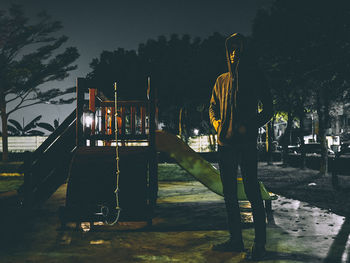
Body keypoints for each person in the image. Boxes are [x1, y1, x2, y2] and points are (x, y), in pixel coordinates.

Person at [209, 33, 273, 260]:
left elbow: (268, 109)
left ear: (245, 51)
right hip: (225, 144)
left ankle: (260, 244)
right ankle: (235, 240)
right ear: (228, 53)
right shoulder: (221, 80)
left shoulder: (255, 77)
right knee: (229, 194)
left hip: (246, 144)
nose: (234, 52)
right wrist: (218, 126)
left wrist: (251, 125)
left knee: (253, 192)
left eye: (238, 48)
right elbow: (213, 108)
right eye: (231, 49)